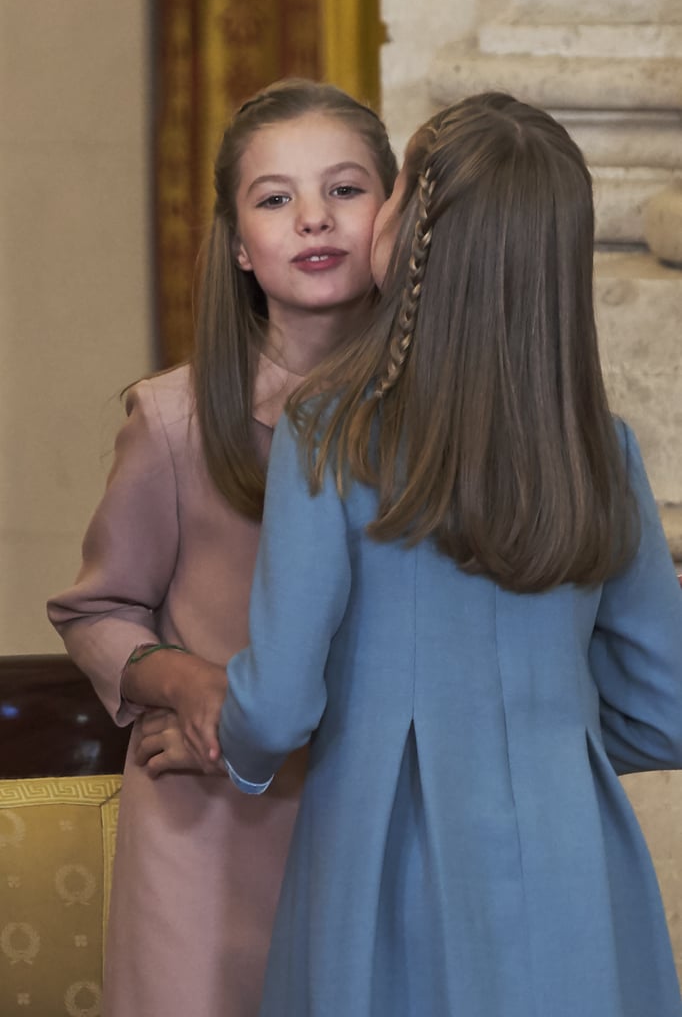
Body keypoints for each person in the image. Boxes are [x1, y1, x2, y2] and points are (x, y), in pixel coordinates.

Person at [218, 92, 682, 1017]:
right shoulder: (604, 444)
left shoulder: (329, 431)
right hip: (575, 861)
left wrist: (239, 759)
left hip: (388, 857)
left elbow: (274, 705)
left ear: (413, 235)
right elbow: (669, 706)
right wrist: (554, 745)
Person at [47, 78, 397, 1017]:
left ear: (397, 217)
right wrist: (194, 686)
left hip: (382, 831)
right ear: (240, 244)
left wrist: (263, 728)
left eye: (346, 190)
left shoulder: (444, 427)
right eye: (275, 198)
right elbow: (95, 609)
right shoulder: (173, 418)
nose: (314, 219)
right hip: (209, 848)